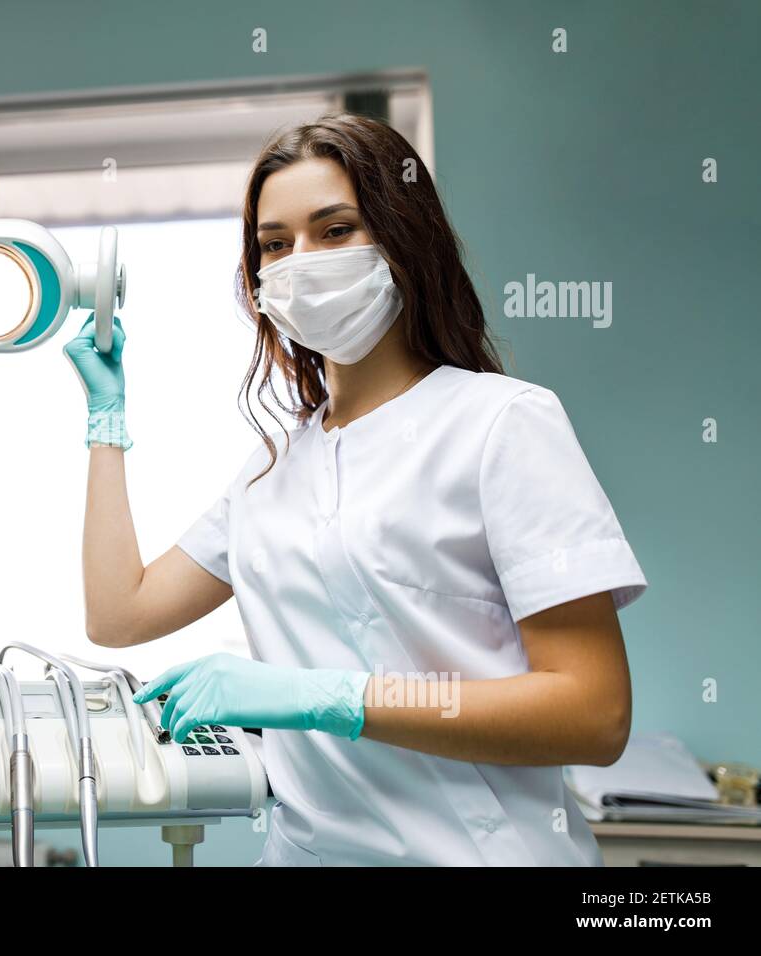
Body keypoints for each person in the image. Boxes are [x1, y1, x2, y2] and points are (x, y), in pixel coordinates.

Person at [62, 112, 646, 866]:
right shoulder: (274, 469)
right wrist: (106, 421)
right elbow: (119, 614)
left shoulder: (501, 425)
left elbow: (593, 715)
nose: (300, 260)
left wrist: (326, 698)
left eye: (334, 230)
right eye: (275, 244)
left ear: (403, 241)